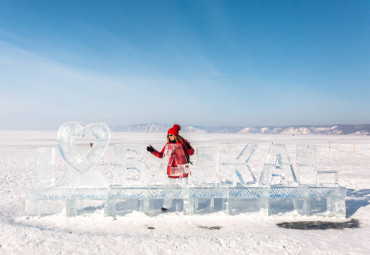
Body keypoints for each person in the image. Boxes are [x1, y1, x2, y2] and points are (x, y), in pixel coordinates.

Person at [147, 124, 194, 211]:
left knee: (185, 188)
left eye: (171, 135)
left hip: (182, 168)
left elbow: (191, 152)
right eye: (168, 135)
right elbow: (161, 155)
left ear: (175, 135)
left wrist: (188, 146)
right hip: (172, 170)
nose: (169, 136)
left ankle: (188, 206)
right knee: (169, 188)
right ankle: (166, 206)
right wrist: (152, 151)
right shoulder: (168, 144)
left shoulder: (183, 142)